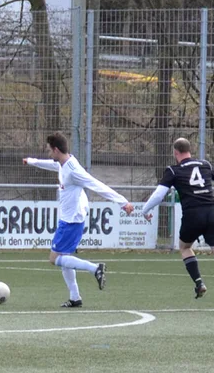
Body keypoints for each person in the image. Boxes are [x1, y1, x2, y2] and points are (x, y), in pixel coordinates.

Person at [23, 132, 135, 308]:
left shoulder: (74, 170)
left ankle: (95, 268)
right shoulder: (63, 164)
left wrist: (123, 202)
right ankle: (75, 297)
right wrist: (31, 161)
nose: (49, 154)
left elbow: (96, 185)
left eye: (49, 151)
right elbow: (52, 166)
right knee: (64, 257)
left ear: (57, 150)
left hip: (71, 220)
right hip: (70, 218)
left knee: (54, 259)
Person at [141, 138, 214, 313]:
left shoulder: (173, 171)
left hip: (192, 214)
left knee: (184, 247)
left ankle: (199, 283)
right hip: (212, 212)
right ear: (190, 150)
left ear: (176, 153)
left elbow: (159, 195)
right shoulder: (205, 164)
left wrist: (144, 210)